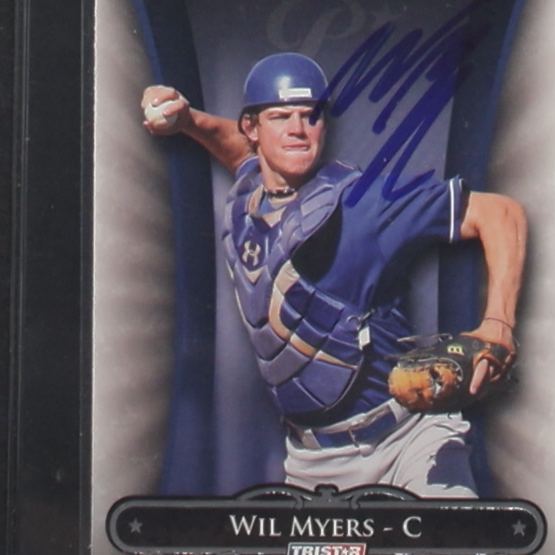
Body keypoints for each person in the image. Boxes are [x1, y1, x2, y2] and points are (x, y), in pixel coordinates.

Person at [141, 52, 526, 499]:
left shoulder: (364, 202)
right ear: (252, 128)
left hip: (408, 442)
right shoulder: (248, 191)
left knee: (457, 539)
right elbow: (237, 147)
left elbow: (500, 213)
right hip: (313, 462)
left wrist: (498, 323)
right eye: (280, 116)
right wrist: (188, 120)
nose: (298, 129)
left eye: (310, 116)